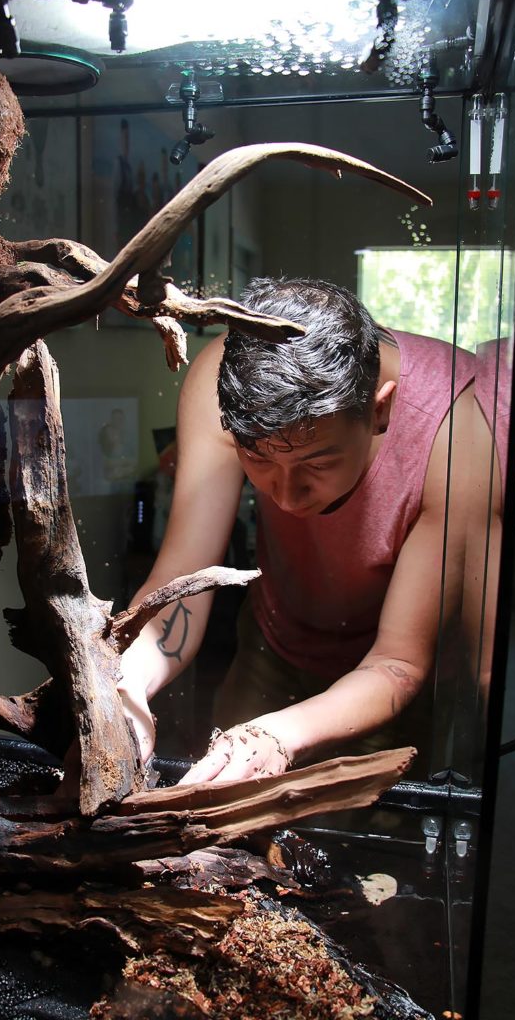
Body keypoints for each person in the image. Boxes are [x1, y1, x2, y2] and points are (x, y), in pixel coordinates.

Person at [117, 277, 474, 785]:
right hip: (274, 641)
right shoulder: (222, 382)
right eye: (258, 460)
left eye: (318, 462)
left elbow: (398, 661)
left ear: (380, 410)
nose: (285, 497)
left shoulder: (456, 430)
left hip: (395, 676)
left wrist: (277, 738)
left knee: (371, 835)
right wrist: (123, 694)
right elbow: (180, 585)